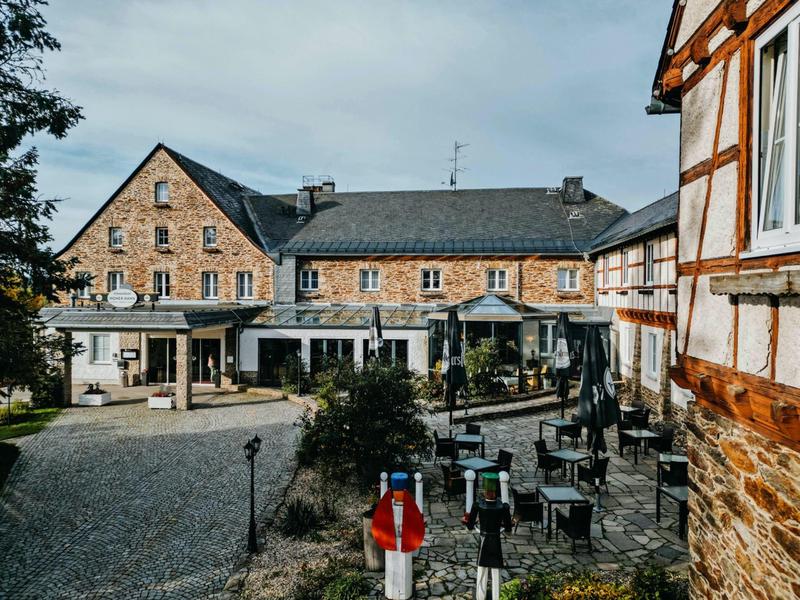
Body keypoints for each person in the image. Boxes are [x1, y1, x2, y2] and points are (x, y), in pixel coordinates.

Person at [465, 473, 512, 600]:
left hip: (483, 540)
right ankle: (497, 597)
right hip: (495, 541)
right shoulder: (503, 506)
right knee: (496, 571)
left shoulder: (478, 505)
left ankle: (481, 596)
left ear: (485, 491)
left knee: (481, 571)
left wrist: (472, 525)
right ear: (495, 491)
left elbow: (470, 525)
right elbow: (508, 528)